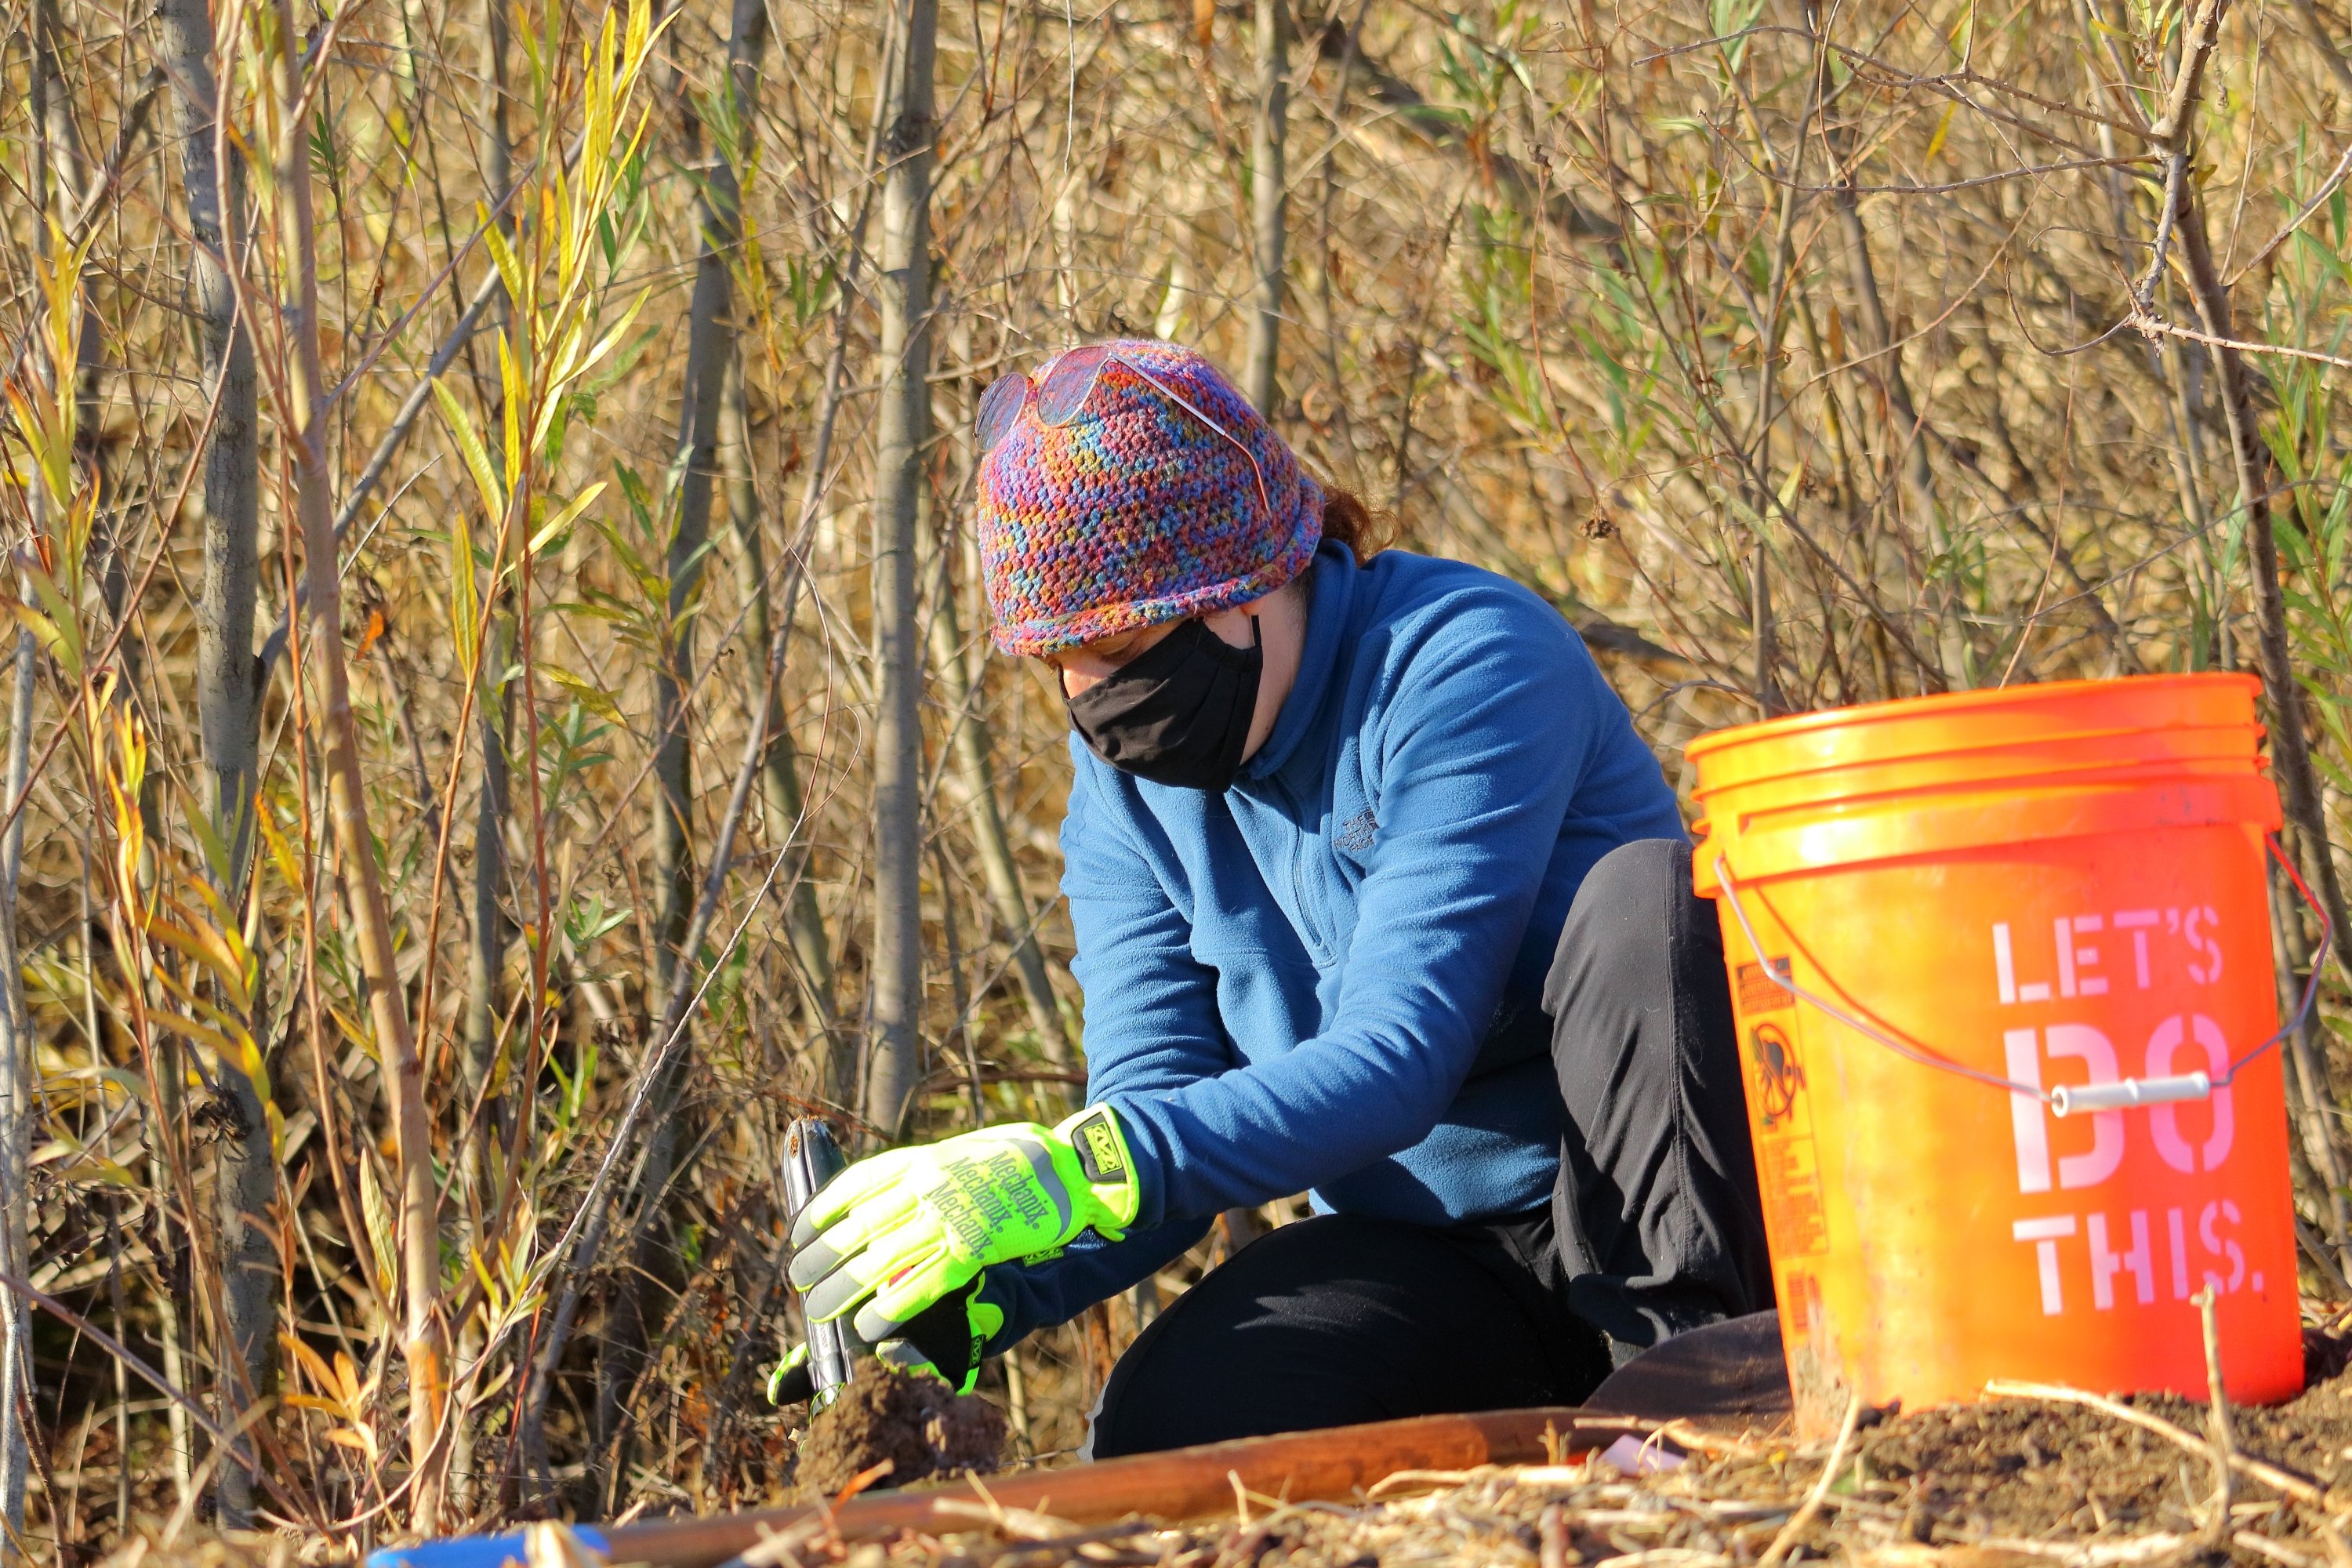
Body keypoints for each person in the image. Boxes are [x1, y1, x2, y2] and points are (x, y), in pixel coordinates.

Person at [786, 339, 1772, 1456]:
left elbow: (1397, 1057)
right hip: (1434, 1254)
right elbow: (1157, 1103)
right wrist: (983, 1291)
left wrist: (1080, 1167)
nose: (1093, 699)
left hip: (1650, 1203)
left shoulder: (1463, 661)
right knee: (1178, 1424)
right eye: (1059, 659)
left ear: (1244, 588)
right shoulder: (1126, 790)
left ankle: (1702, 1400)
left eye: (1119, 641)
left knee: (1649, 901)